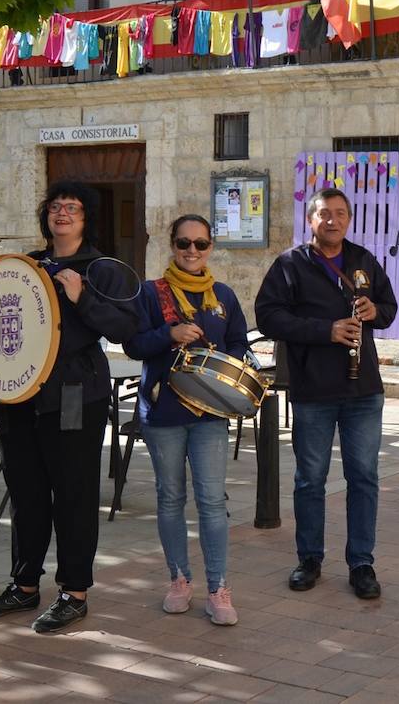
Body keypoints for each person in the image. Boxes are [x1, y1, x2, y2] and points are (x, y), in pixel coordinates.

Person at [0, 180, 138, 633]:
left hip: (72, 395)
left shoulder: (103, 269)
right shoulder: (24, 265)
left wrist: (80, 296)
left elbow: (125, 329)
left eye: (74, 208)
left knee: (74, 494)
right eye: (56, 206)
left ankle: (74, 592)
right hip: (17, 395)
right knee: (25, 493)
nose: (62, 213)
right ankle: (24, 586)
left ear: (87, 219)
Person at [254, 188, 397, 600]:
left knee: (364, 478)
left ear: (349, 219)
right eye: (324, 214)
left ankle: (362, 563)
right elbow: (268, 317)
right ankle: (309, 558)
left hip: (362, 390)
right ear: (311, 220)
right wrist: (325, 330)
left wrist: (375, 312)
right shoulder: (290, 265)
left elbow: (388, 306)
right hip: (313, 390)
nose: (333, 221)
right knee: (310, 480)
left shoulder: (362, 260)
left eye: (340, 214)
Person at [123, 215, 248, 626]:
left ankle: (218, 588)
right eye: (183, 243)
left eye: (200, 244)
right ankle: (178, 579)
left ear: (210, 247)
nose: (191, 251)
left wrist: (241, 367)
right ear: (172, 245)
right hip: (164, 413)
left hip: (210, 413)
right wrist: (169, 335)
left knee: (212, 501)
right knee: (170, 498)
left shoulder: (224, 296)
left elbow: (237, 347)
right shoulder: (149, 293)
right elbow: (133, 344)